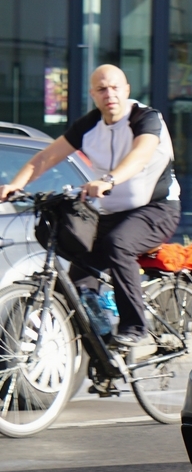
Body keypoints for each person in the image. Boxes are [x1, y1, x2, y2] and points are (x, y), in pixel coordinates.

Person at [0, 65, 181, 345]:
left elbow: (141, 154)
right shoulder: (89, 125)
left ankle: (135, 327)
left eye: (114, 87)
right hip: (111, 213)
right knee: (80, 265)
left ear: (127, 90)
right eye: (101, 89)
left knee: (117, 244)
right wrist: (16, 184)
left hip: (157, 209)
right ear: (93, 95)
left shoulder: (146, 118)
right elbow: (45, 159)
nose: (109, 94)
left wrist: (110, 179)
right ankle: (100, 341)